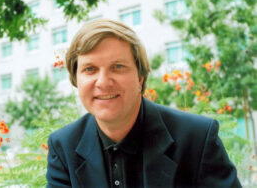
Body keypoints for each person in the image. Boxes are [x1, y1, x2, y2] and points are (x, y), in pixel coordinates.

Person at [46, 19, 241, 188]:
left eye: (118, 67)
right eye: (90, 69)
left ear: (140, 78)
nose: (103, 82)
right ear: (76, 80)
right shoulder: (63, 147)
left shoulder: (197, 138)